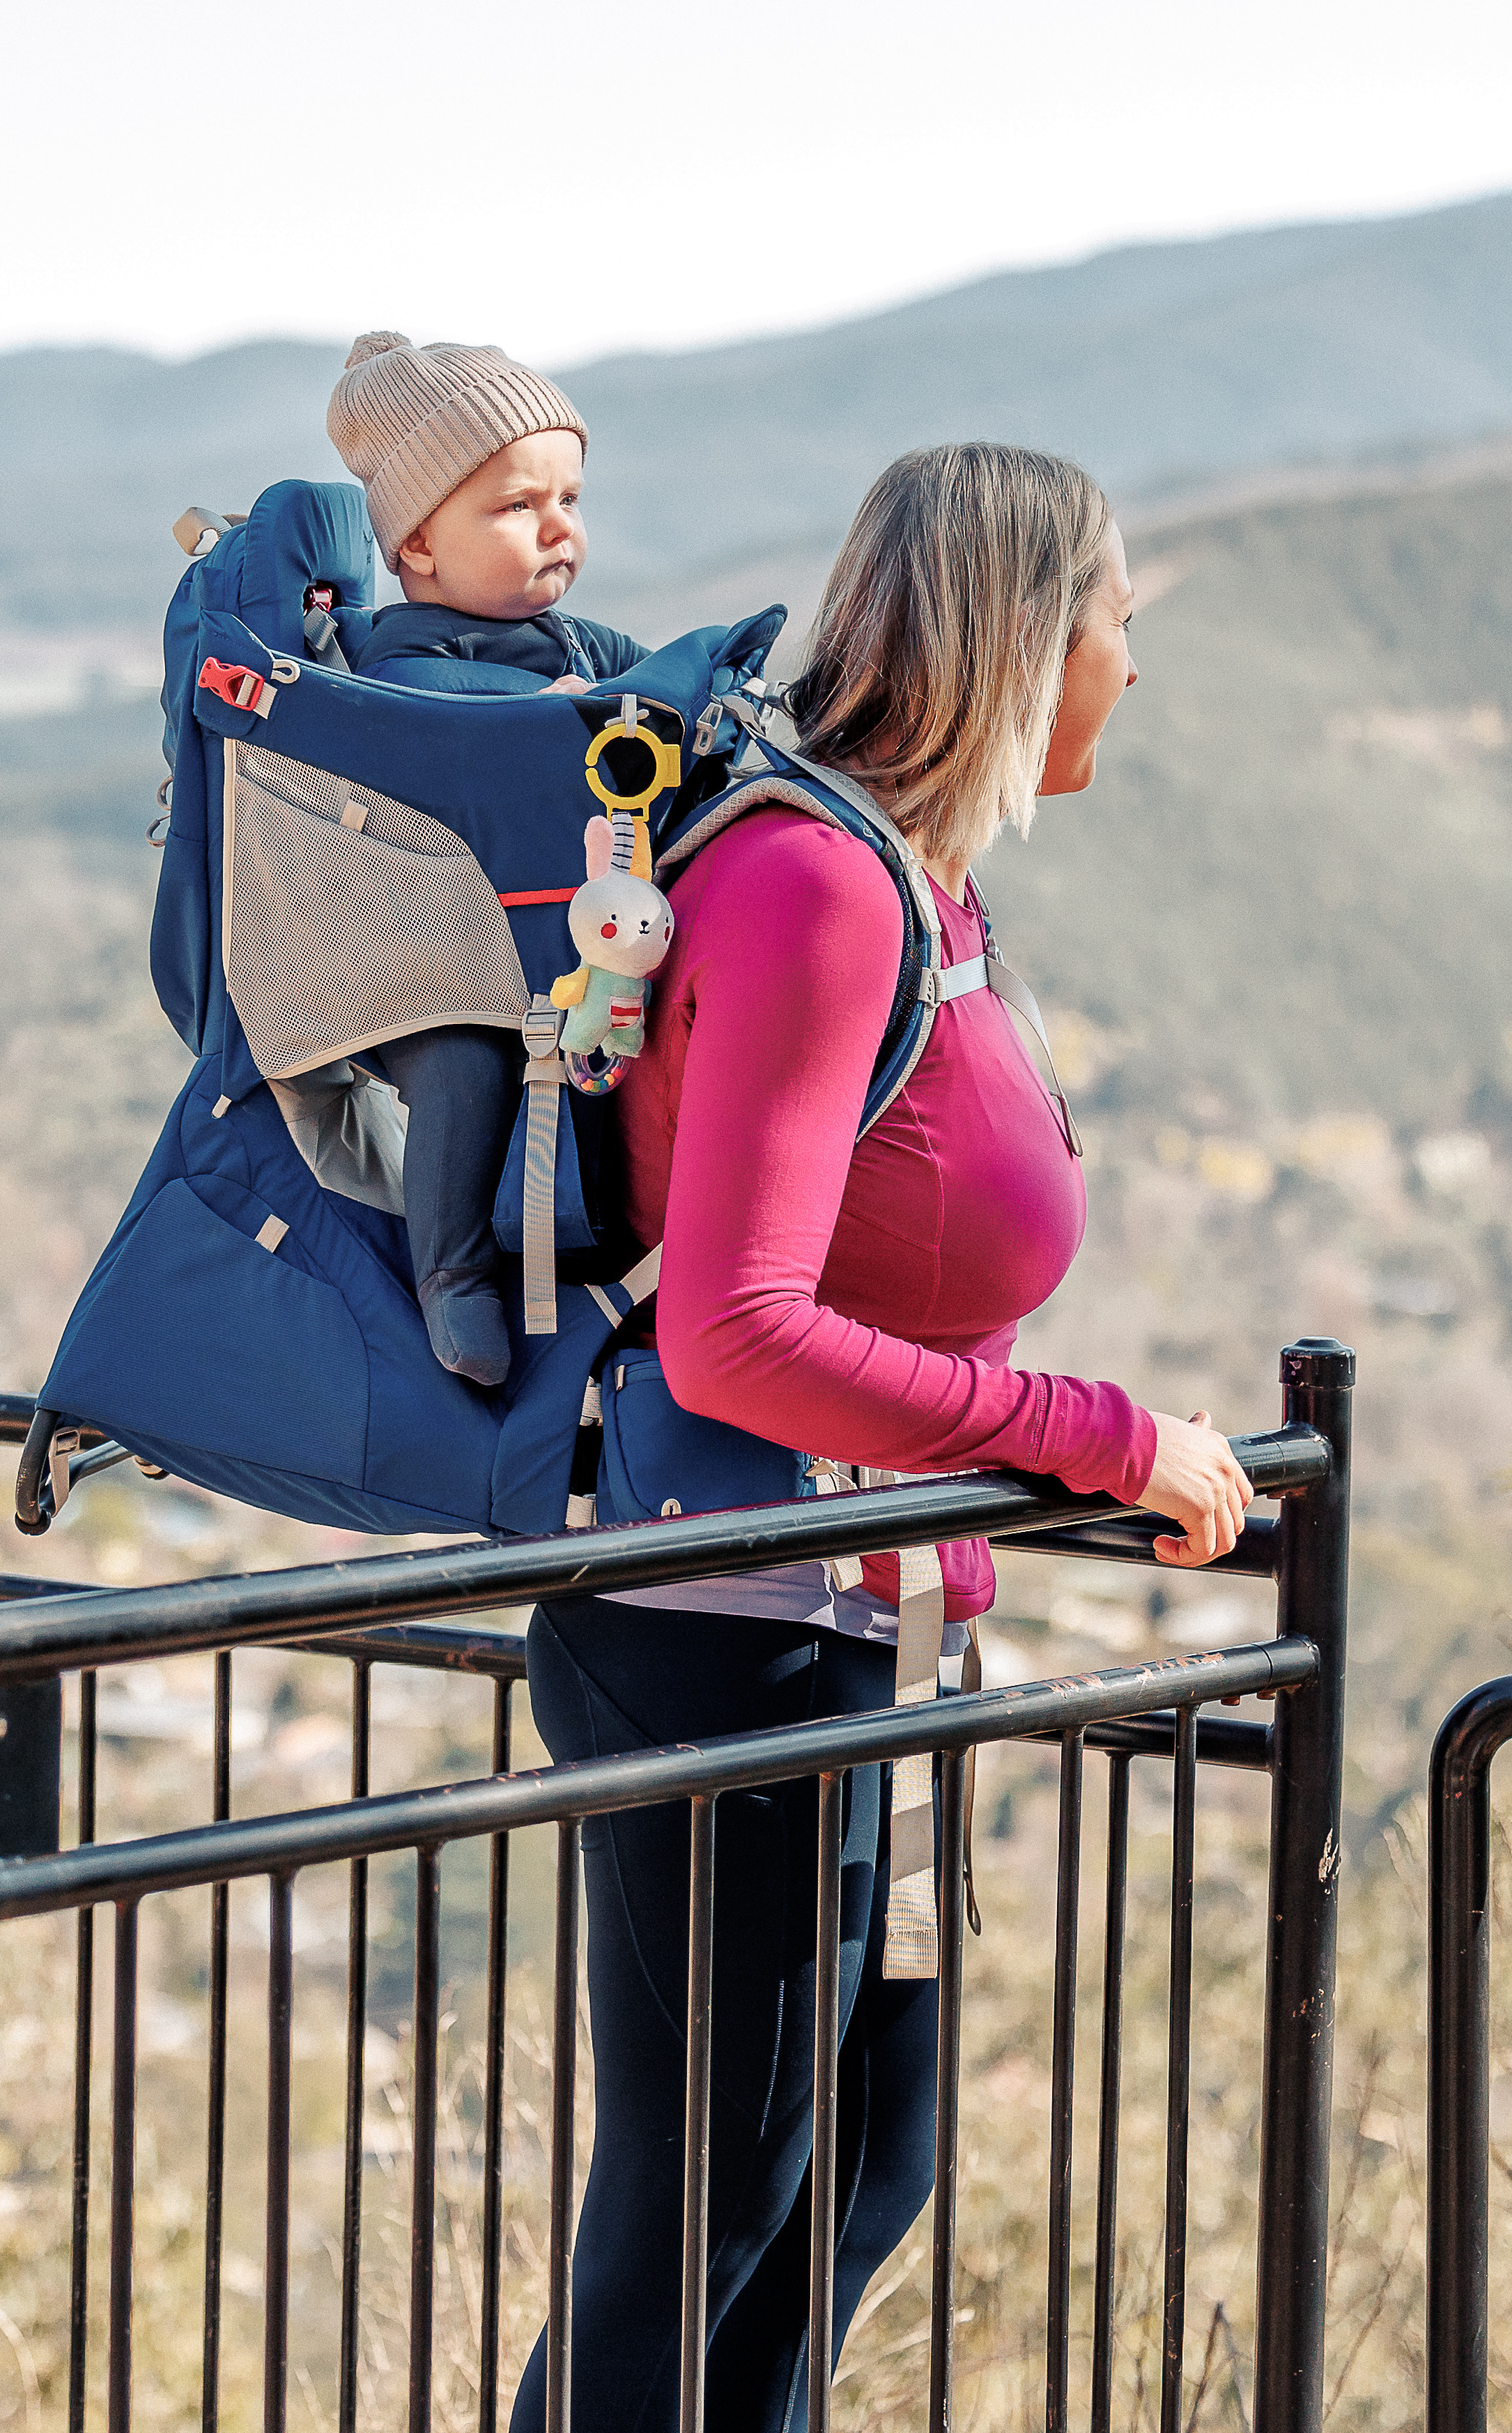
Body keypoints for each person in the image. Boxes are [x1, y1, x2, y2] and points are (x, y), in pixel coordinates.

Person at [509, 442, 1255, 2433]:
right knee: (704, 2222)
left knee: (859, 2177)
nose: (1127, 668)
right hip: (729, 1643)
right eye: (1114, 625)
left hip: (878, 1634)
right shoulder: (816, 889)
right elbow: (736, 1334)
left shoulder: (928, 891)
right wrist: (1091, 1435)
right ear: (1021, 637)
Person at [321, 332, 648, 1386]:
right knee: (462, 1065)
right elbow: (464, 723)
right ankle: (449, 1275)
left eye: (571, 500)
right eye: (517, 508)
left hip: (564, 946)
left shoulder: (575, 647)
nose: (559, 529)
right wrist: (567, 717)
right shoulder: (398, 666)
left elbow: (661, 683)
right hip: (427, 968)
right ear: (416, 544)